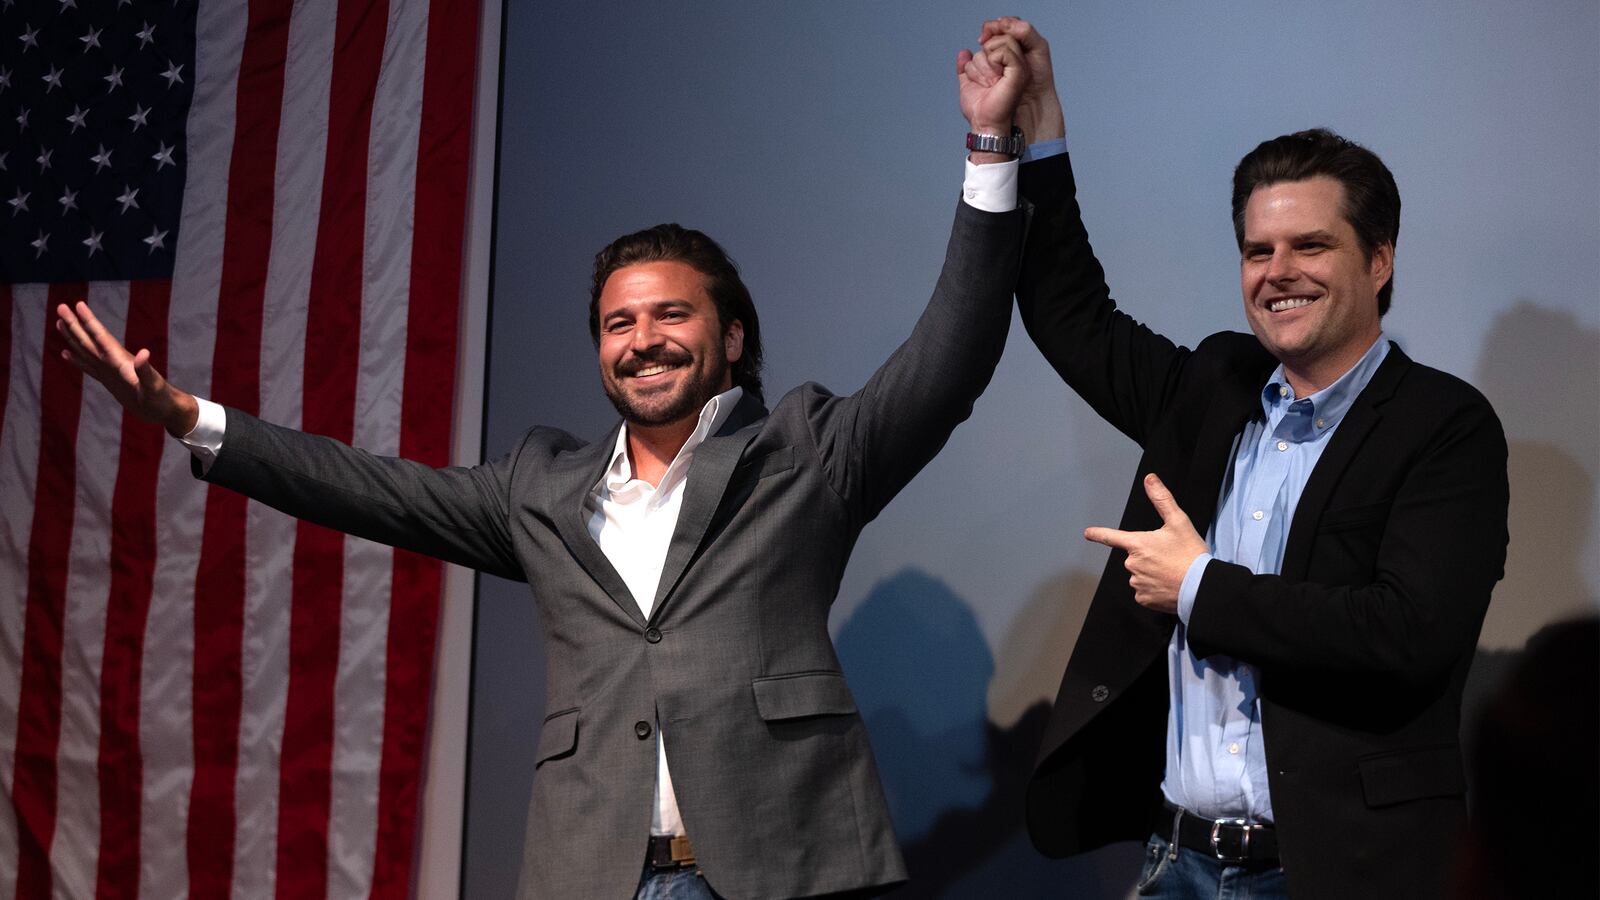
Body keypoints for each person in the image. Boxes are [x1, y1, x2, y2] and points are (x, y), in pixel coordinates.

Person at [55, 35, 1032, 900]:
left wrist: (989, 152)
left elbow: (946, 360)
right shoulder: (540, 487)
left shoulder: (805, 452)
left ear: (733, 339)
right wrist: (188, 416)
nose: (642, 340)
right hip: (593, 873)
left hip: (780, 871)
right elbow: (369, 490)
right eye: (618, 323)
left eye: (670, 315)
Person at [981, 18, 1510, 900]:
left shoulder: (1444, 425)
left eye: (1311, 246)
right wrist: (1033, 136)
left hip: (1340, 873)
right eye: (1257, 251)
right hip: (1174, 862)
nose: (1279, 272)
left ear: (1379, 261)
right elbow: (1071, 312)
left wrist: (1197, 587)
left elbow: (1404, 635)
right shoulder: (1214, 384)